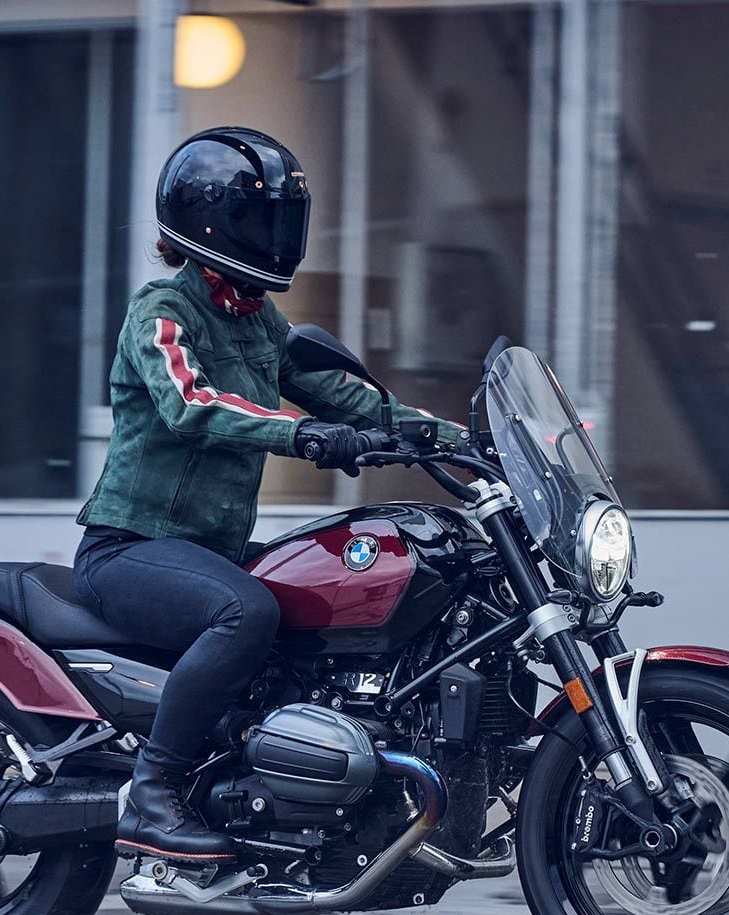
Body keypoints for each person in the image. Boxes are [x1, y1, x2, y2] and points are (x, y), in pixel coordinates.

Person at [74, 126, 460, 863]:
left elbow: (343, 395)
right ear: (210, 221)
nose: (279, 235)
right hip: (130, 548)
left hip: (203, 551)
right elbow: (193, 403)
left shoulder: (258, 320)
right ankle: (152, 795)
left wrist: (455, 438)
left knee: (317, 593)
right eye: (264, 218)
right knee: (245, 609)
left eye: (285, 219)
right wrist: (303, 436)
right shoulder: (163, 311)